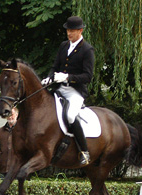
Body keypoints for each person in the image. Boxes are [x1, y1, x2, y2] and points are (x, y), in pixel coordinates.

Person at [41, 16, 95, 165]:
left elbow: (87, 76)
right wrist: (49, 77)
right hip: (59, 89)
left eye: (72, 31)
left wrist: (67, 77)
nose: (69, 34)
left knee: (71, 116)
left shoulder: (87, 49)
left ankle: (84, 151)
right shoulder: (64, 45)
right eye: (68, 31)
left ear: (80, 31)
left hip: (75, 92)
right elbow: (55, 66)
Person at [0, 107, 19, 177]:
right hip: (4, 167)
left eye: (12, 114)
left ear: (16, 115)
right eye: (8, 114)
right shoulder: (1, 130)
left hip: (18, 168)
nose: (10, 116)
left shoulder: (22, 130)